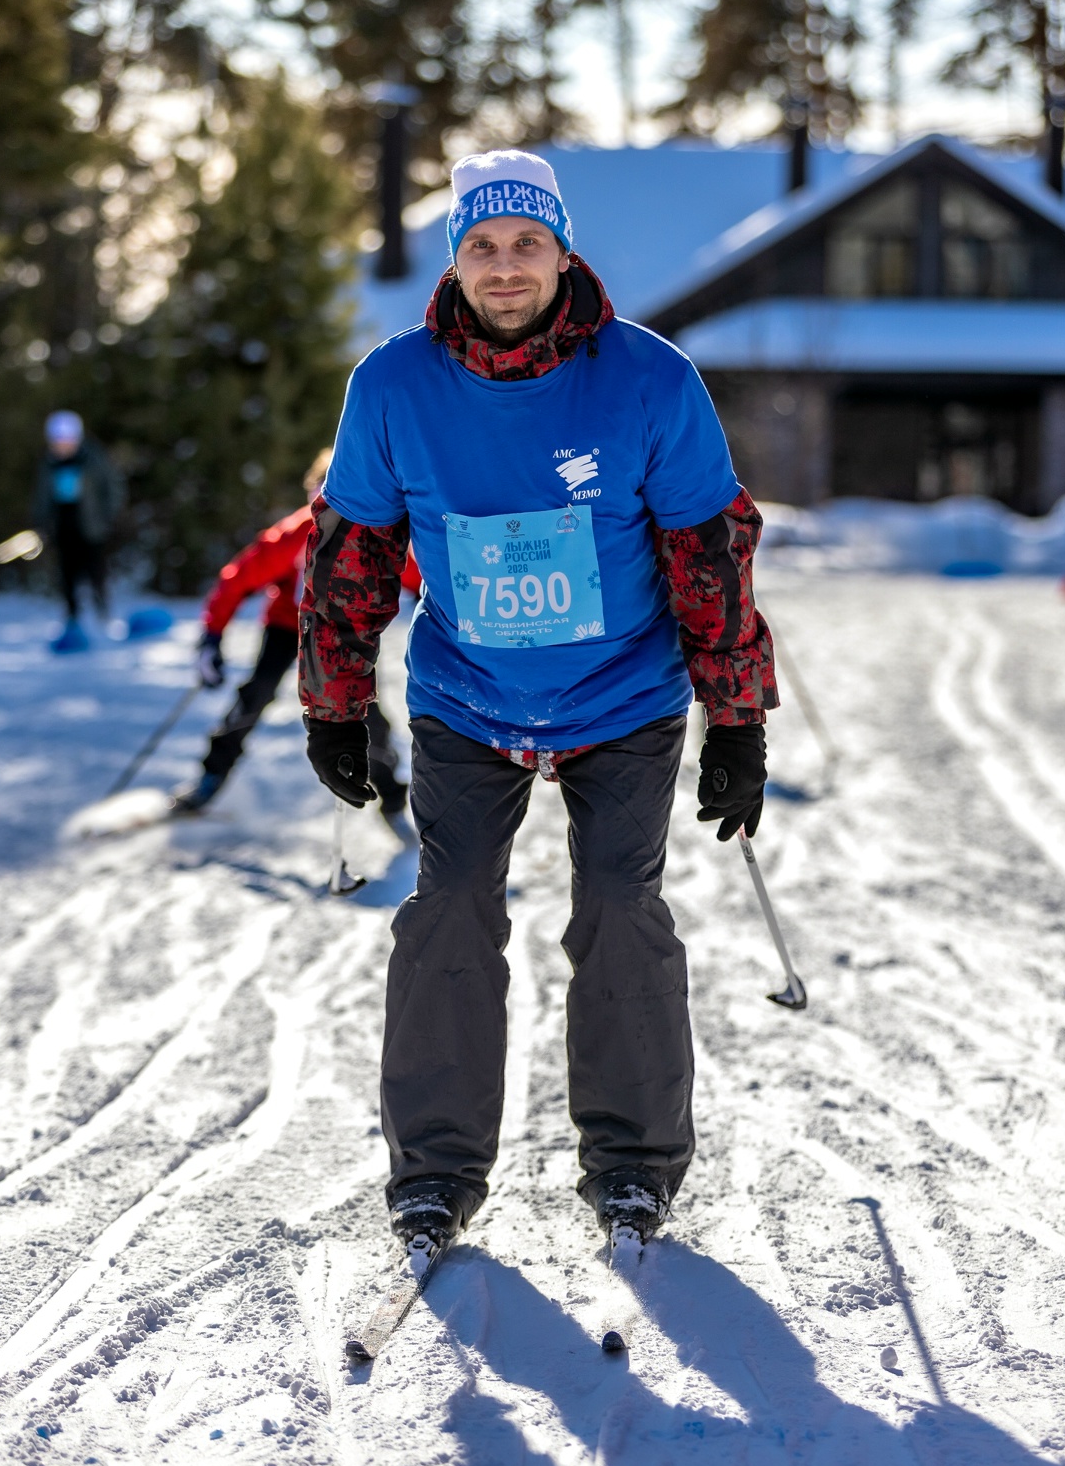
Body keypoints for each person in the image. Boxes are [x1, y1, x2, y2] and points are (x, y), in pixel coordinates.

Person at [298, 149, 778, 1260]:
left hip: (623, 695)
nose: (504, 267)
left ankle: (632, 1165)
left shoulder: (649, 379)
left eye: (527, 243)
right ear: (455, 259)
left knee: (617, 905)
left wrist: (737, 719)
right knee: (450, 906)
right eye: (482, 245)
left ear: (563, 253)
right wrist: (334, 706)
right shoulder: (394, 385)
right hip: (467, 696)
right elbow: (350, 556)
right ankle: (434, 1173)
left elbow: (709, 555)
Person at [173, 447, 417, 816]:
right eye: (320, 495)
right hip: (289, 624)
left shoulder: (372, 532)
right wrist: (211, 636)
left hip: (345, 631)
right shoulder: (295, 534)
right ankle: (211, 776)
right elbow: (237, 580)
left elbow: (415, 576)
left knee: (363, 709)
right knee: (256, 694)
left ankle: (389, 790)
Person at [34, 410, 125, 647]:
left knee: (96, 572)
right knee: (67, 575)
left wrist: (107, 517)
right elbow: (43, 496)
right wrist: (41, 523)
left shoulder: (93, 459)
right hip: (63, 527)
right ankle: (72, 617)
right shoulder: (49, 464)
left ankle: (103, 614)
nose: (62, 444)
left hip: (91, 527)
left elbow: (112, 489)